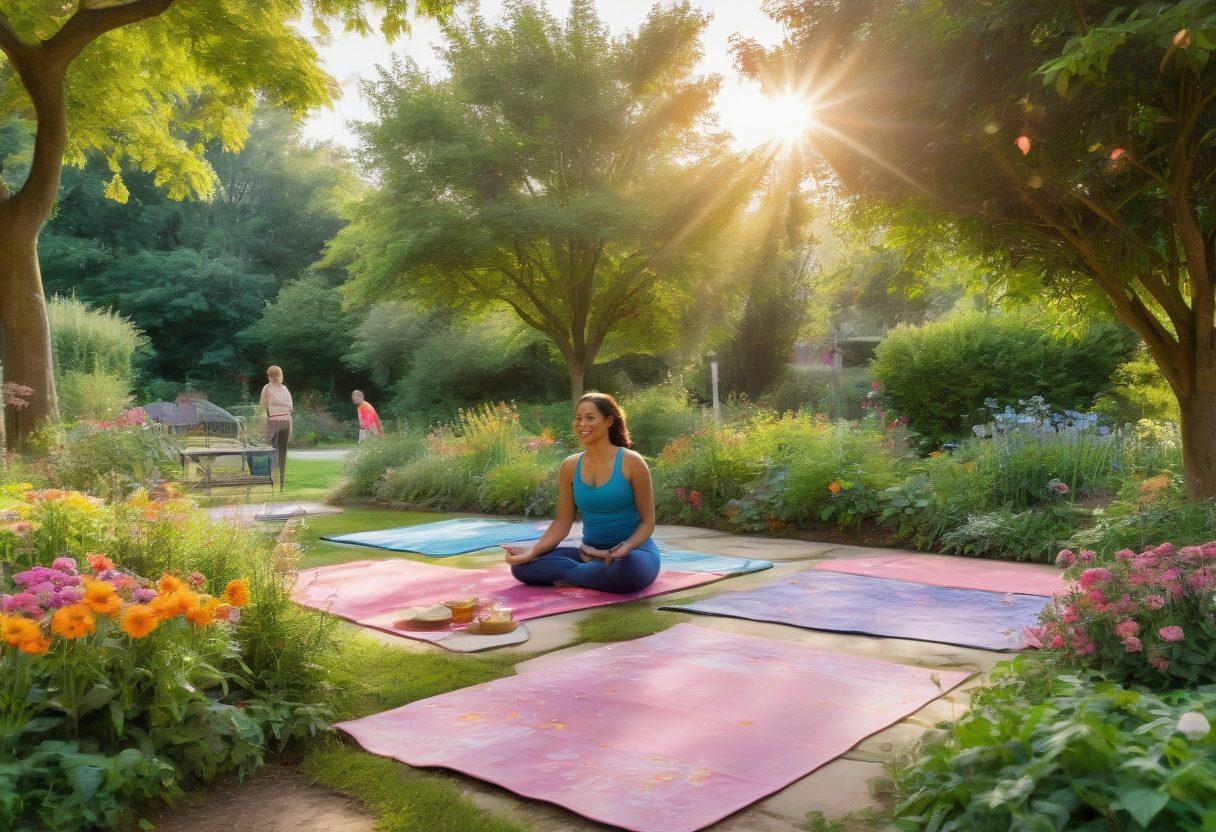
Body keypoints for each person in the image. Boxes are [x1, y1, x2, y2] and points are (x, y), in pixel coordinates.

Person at [503, 393, 660, 594]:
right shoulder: (570, 466)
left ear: (609, 421)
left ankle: (577, 574)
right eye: (578, 418)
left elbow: (648, 522)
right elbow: (562, 522)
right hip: (587, 553)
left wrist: (626, 547)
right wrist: (532, 551)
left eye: (590, 417)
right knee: (522, 568)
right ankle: (590, 571)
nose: (582, 424)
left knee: (630, 571)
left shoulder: (632, 462)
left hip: (634, 553)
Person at [259, 366, 292, 492]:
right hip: (286, 421)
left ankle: (271, 483)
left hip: (273, 421)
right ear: (281, 376)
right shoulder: (285, 389)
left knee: (271, 451)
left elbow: (263, 406)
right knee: (283, 453)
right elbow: (290, 407)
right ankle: (281, 486)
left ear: (269, 377)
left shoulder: (266, 388)